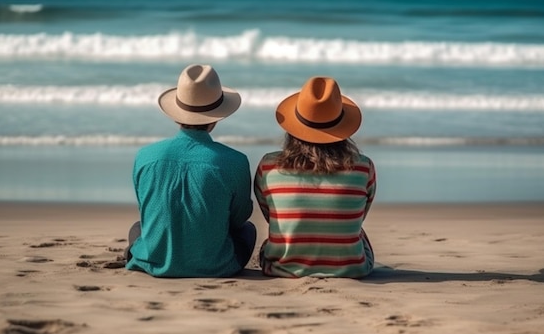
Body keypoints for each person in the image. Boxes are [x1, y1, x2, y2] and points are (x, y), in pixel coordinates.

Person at [125, 64, 256, 277]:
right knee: (248, 230)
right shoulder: (236, 161)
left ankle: (141, 255)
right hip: (217, 266)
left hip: (155, 263)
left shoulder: (144, 156)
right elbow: (238, 218)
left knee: (137, 228)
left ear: (177, 115)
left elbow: (148, 212)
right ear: (216, 118)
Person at [254, 76, 376, 278]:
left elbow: (272, 216)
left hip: (282, 267)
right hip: (352, 267)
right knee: (358, 234)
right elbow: (359, 216)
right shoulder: (363, 167)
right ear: (341, 127)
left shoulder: (268, 166)